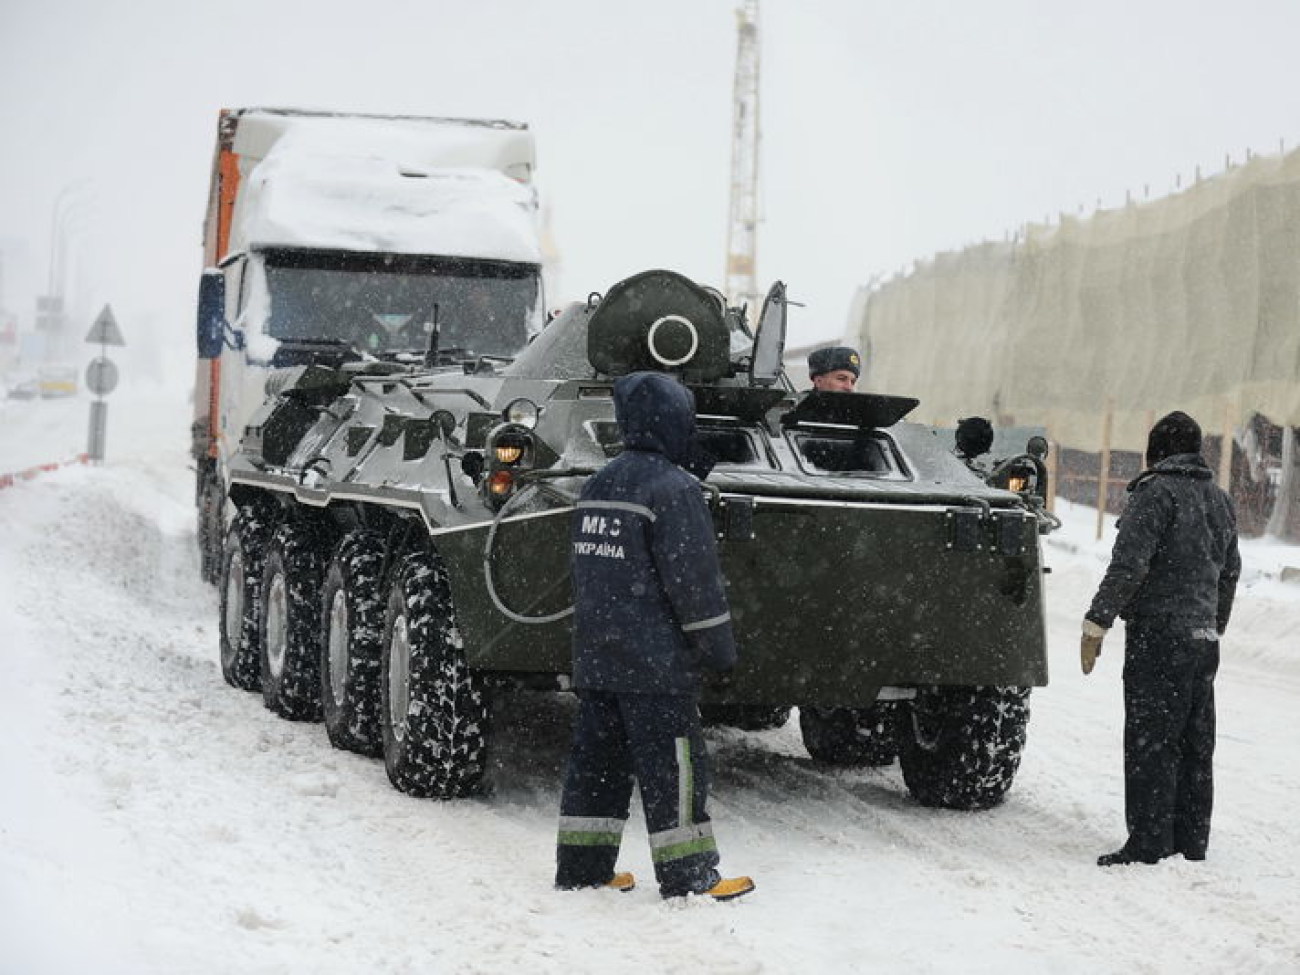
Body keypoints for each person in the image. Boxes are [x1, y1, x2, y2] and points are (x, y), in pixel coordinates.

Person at [555, 370, 755, 901]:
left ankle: (582, 868)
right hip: (655, 666)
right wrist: (717, 649)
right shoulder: (674, 490)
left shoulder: (599, 482)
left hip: (598, 657)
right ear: (675, 421)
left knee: (597, 767)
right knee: (677, 771)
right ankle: (690, 877)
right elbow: (694, 582)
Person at [1081, 410, 1241, 866]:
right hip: (1202, 636)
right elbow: (1229, 572)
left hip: (1159, 634)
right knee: (1195, 739)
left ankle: (1149, 841)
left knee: (1152, 739)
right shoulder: (1219, 499)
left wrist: (1098, 619)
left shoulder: (1155, 495)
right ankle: (1191, 841)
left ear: (1157, 451)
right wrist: (1214, 623)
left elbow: (1129, 565)